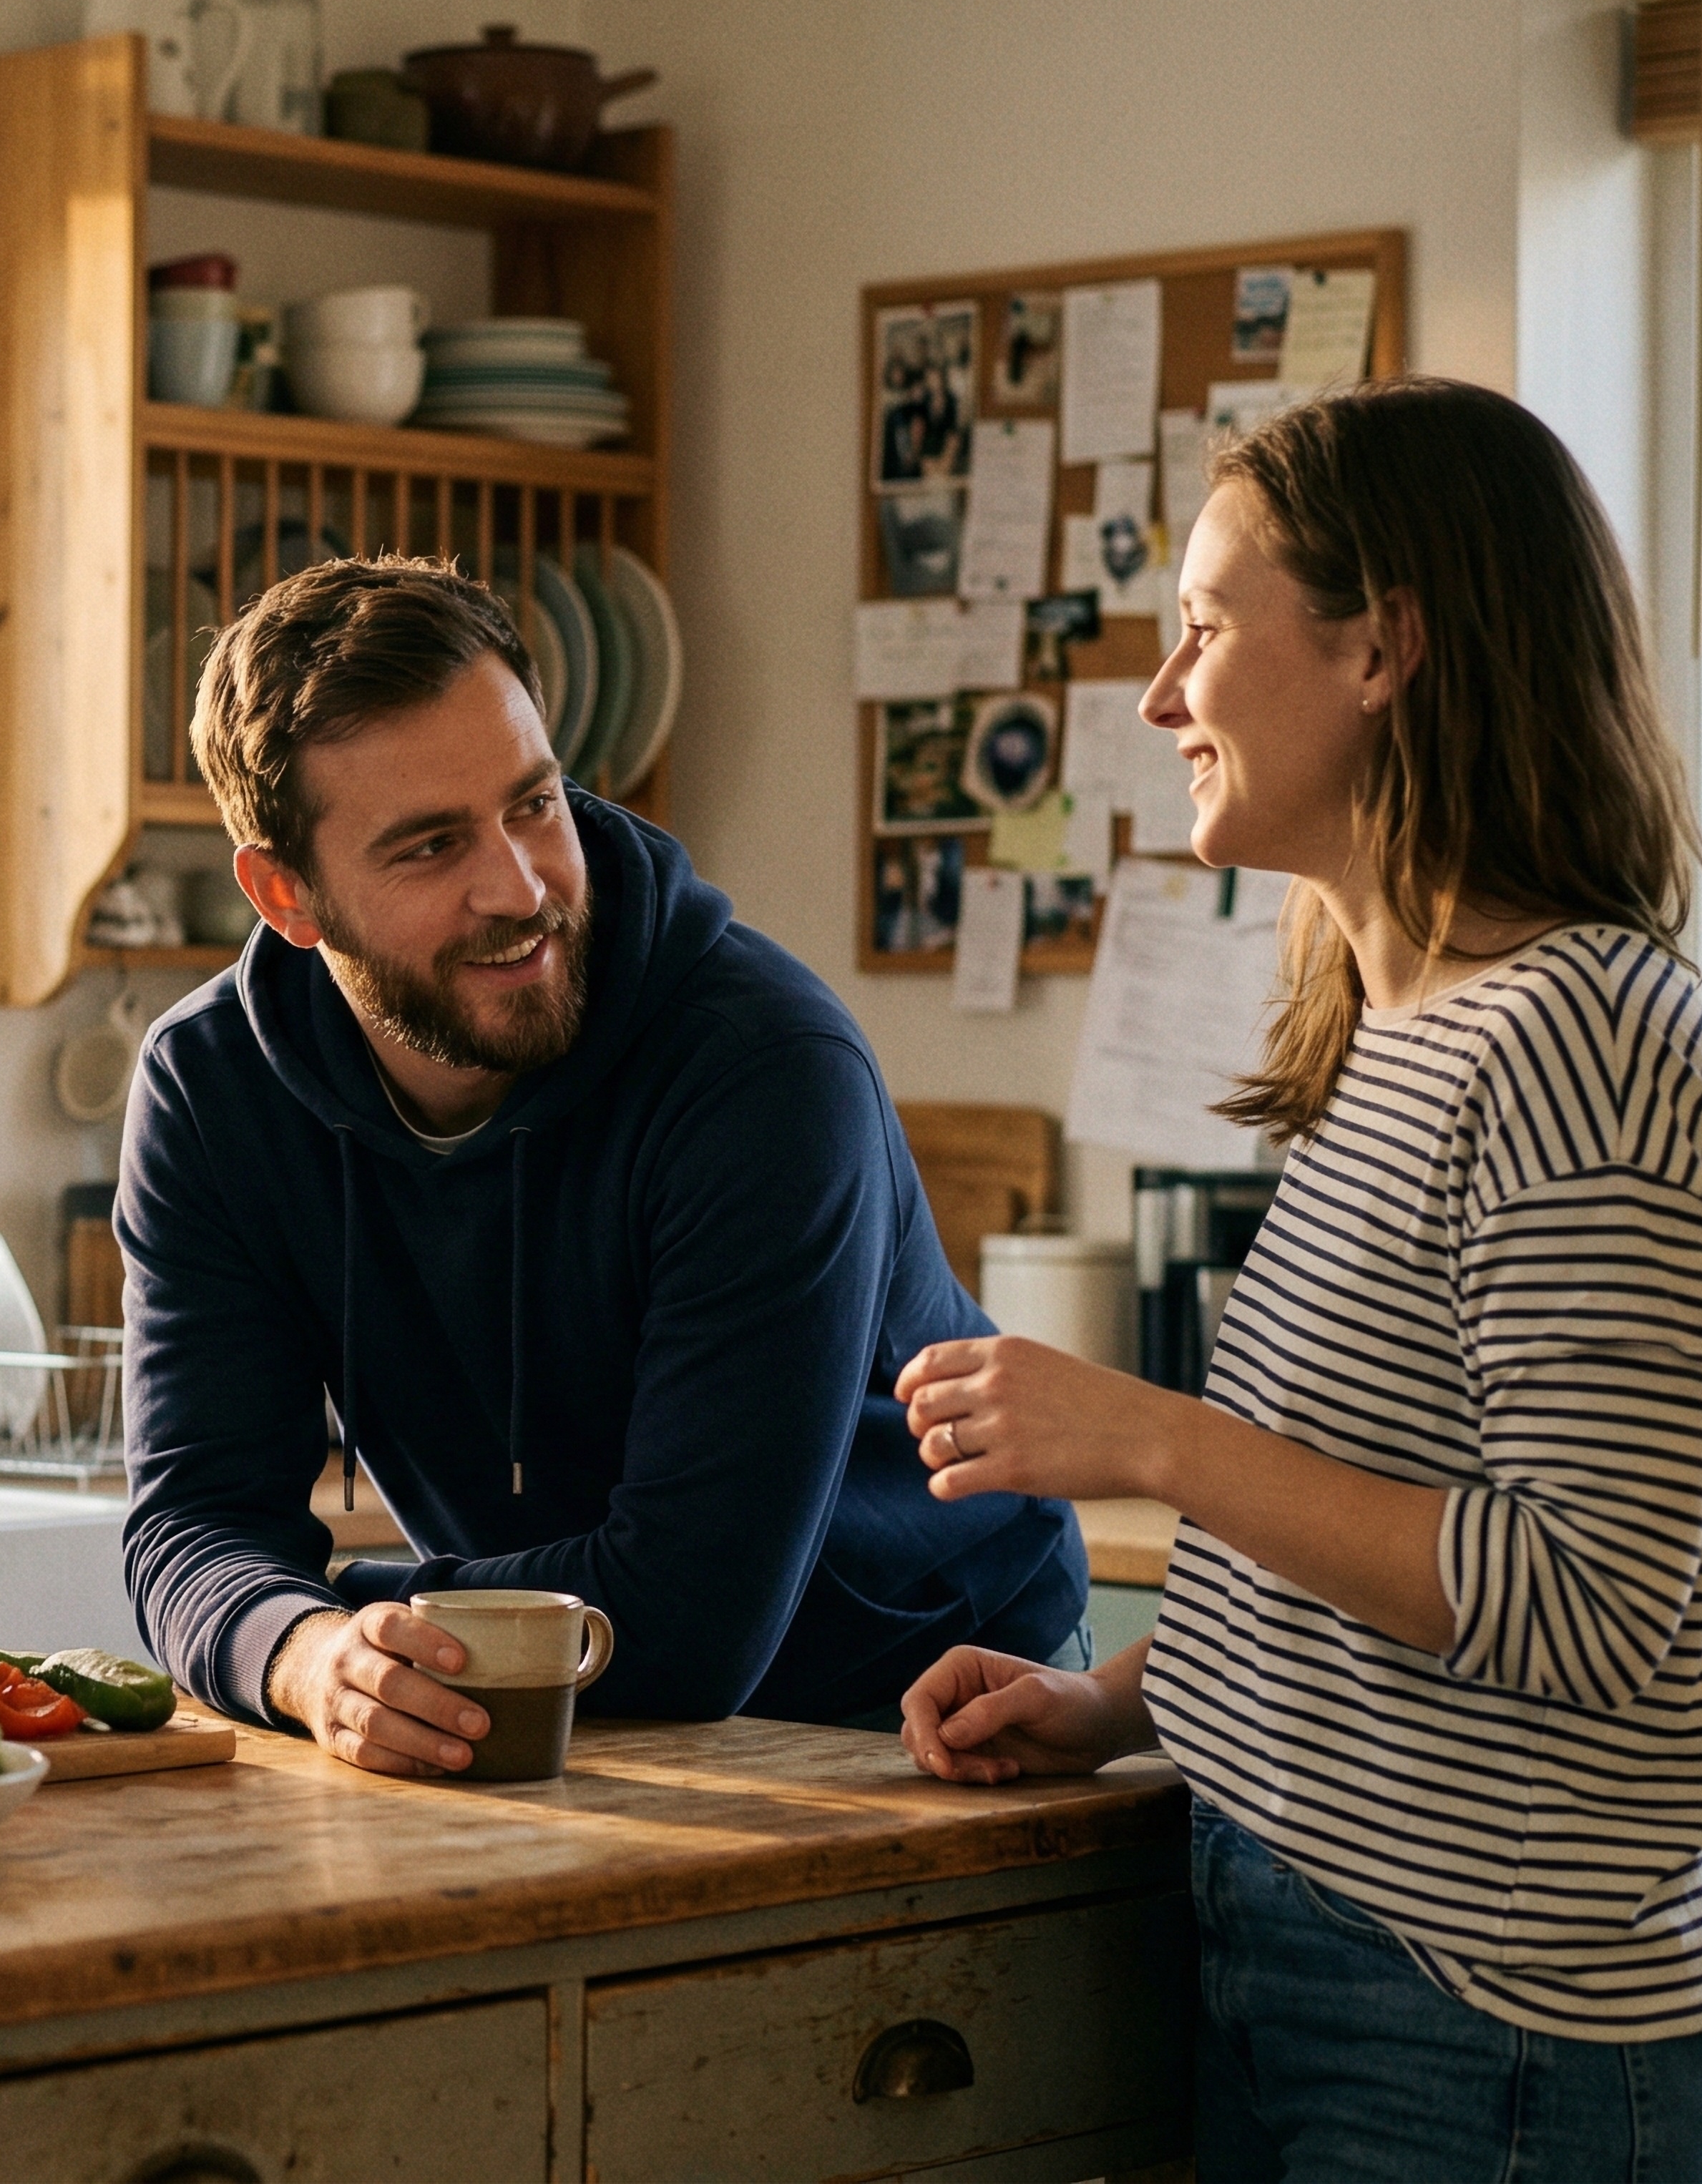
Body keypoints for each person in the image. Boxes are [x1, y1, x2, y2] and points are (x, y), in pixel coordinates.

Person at [894, 376, 1702, 2182]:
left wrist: (1147, 1442)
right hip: (1309, 1948)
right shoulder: (1406, 1032)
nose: (1162, 697)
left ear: (1381, 649)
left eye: (1208, 630)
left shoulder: (1584, 1042)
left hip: (1485, 2019)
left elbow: (1581, 1603)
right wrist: (1121, 1699)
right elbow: (1380, 1537)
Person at [119, 557, 1085, 1778]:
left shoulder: (765, 1071)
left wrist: (366, 1608)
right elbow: (193, 1527)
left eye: (533, 803)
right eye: (428, 847)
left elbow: (689, 1616)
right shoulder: (212, 1093)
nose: (519, 888)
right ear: (288, 895)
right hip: (563, 1709)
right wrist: (310, 1657)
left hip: (928, 1712)